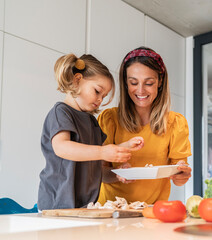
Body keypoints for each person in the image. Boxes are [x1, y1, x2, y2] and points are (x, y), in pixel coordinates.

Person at [38, 53, 144, 210]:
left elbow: (98, 169)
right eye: (97, 91)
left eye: (104, 96)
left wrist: (117, 171)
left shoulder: (92, 122)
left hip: (84, 207)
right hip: (56, 205)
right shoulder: (61, 112)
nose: (100, 100)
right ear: (77, 80)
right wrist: (103, 152)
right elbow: (61, 147)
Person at [97, 47, 192, 204]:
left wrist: (182, 173)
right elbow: (98, 172)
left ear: (160, 82)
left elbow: (179, 180)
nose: (140, 90)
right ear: (125, 83)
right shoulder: (110, 119)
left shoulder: (176, 123)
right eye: (133, 82)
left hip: (152, 211)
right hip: (111, 209)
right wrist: (118, 174)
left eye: (149, 83)